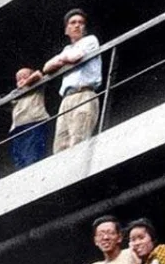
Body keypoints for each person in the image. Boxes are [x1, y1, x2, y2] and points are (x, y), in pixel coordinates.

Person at [43, 9, 102, 153]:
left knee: (78, 142)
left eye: (81, 23)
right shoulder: (67, 48)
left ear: (85, 28)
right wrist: (64, 59)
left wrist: (61, 60)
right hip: (66, 100)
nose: (77, 25)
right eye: (73, 23)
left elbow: (76, 57)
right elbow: (46, 67)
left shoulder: (90, 40)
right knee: (60, 147)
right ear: (66, 30)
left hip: (84, 94)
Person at [9, 67, 51, 169]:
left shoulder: (36, 85)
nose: (20, 80)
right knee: (19, 161)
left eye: (24, 76)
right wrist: (23, 87)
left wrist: (25, 84)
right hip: (16, 129)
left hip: (33, 123)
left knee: (32, 158)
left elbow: (38, 75)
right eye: (18, 79)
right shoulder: (16, 92)